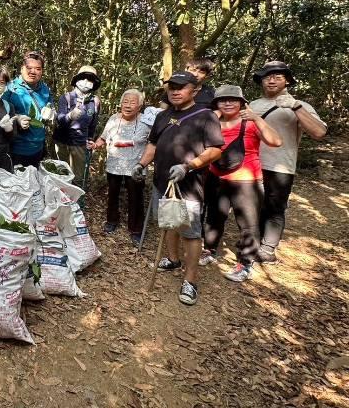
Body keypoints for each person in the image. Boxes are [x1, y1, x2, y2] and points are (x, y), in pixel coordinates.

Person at [134, 71, 224, 306]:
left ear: (194, 90)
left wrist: (189, 166)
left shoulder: (205, 116)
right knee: (168, 221)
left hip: (189, 184)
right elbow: (153, 144)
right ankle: (173, 259)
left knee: (190, 231)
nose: (175, 90)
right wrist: (141, 164)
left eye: (181, 87)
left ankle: (190, 280)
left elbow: (215, 150)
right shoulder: (162, 115)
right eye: (171, 86)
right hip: (161, 180)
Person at [201, 85, 282, 282]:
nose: (228, 103)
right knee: (213, 217)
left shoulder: (251, 123)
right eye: (223, 100)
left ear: (242, 103)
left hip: (247, 180)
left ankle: (245, 263)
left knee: (248, 223)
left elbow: (275, 141)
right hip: (216, 177)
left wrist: (256, 118)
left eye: (233, 100)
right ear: (216, 104)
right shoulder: (212, 123)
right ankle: (209, 250)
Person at [248, 61, 326, 263]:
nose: (271, 80)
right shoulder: (253, 105)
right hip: (251, 164)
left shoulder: (300, 105)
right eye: (267, 76)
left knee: (275, 207)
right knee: (252, 205)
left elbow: (319, 132)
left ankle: (268, 248)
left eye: (277, 77)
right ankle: (253, 243)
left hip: (279, 165)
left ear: (288, 81)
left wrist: (296, 106)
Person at [94, 89, 152, 245]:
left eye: (133, 102)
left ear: (140, 106)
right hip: (114, 164)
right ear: (120, 104)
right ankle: (112, 220)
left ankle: (136, 229)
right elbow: (103, 137)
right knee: (112, 194)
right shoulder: (113, 118)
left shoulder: (146, 122)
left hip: (136, 165)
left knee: (136, 197)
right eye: (125, 101)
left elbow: (153, 143)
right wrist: (96, 144)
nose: (128, 105)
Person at [2, 51, 55, 167]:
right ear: (22, 68)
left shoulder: (45, 88)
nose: (33, 72)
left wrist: (51, 111)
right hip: (16, 149)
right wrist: (16, 118)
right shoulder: (10, 88)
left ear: (42, 71)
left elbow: (50, 104)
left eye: (38, 69)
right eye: (29, 68)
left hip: (38, 147)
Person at [55, 66, 102, 186]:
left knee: (77, 177)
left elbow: (93, 123)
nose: (86, 82)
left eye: (90, 80)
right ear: (77, 80)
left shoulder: (95, 101)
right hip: (63, 142)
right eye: (83, 78)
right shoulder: (66, 97)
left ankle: (75, 202)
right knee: (61, 175)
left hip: (80, 143)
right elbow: (60, 120)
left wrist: (90, 139)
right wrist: (70, 116)